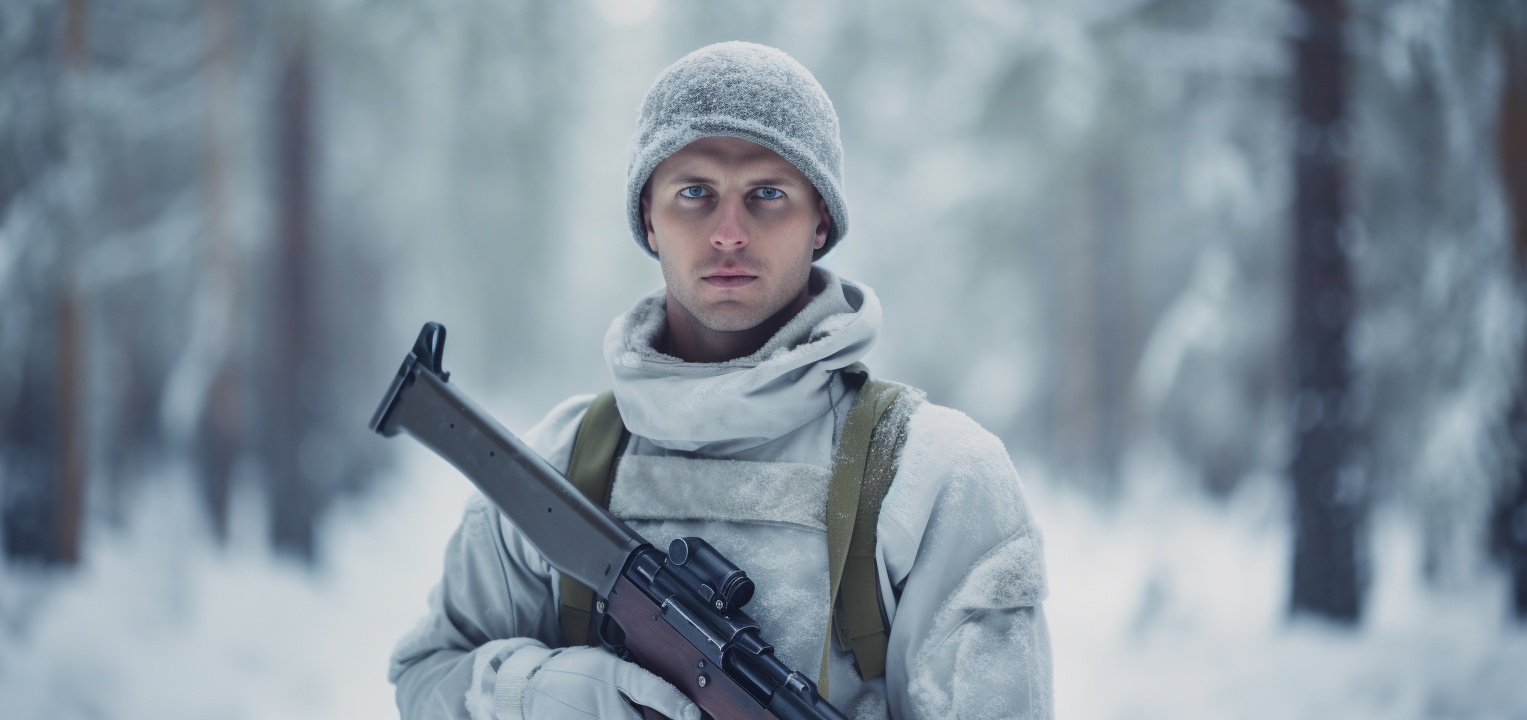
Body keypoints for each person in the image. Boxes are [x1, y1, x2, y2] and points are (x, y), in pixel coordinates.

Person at [388, 41, 1052, 720]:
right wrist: (545, 695)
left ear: (820, 218)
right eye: (695, 193)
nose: (729, 233)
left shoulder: (938, 481)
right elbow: (423, 679)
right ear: (649, 215)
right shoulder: (557, 468)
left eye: (768, 194)